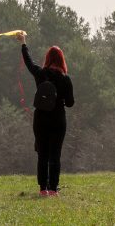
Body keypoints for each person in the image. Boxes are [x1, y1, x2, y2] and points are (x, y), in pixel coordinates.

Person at [19, 33, 75, 197]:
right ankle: (53, 189)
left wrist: (23, 43)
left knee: (42, 154)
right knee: (55, 155)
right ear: (61, 60)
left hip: (41, 119)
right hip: (58, 120)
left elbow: (29, 63)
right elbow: (70, 103)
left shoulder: (40, 73)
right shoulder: (66, 79)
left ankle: (43, 188)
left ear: (48, 58)